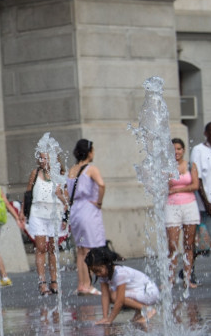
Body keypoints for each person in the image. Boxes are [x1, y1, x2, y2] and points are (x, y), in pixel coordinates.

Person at [22, 152, 68, 296]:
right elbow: (28, 193)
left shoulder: (60, 174)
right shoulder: (35, 173)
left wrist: (66, 217)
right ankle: (42, 282)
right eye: (40, 158)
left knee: (53, 249)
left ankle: (54, 280)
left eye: (46, 158)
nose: (42, 161)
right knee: (41, 247)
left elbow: (66, 199)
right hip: (38, 213)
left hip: (55, 214)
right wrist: (23, 213)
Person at [66, 139, 106, 296]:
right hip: (88, 209)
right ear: (89, 152)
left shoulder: (72, 169)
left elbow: (63, 191)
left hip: (75, 210)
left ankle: (81, 284)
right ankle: (88, 284)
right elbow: (101, 185)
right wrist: (99, 202)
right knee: (90, 249)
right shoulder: (91, 169)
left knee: (81, 249)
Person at [85, 246, 159, 325]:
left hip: (150, 292)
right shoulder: (104, 275)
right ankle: (140, 311)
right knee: (110, 293)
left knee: (114, 295)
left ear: (106, 264)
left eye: (98, 270)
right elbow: (105, 296)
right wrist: (105, 318)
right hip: (141, 292)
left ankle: (148, 310)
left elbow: (119, 300)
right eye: (95, 272)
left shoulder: (120, 274)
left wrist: (110, 319)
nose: (98, 274)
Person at [166, 138, 200, 288]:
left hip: (189, 206)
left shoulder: (191, 165)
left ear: (183, 150)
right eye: (173, 149)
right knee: (172, 245)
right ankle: (170, 279)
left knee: (188, 245)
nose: (176, 152)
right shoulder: (166, 167)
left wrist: (178, 189)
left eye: (179, 149)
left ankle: (187, 278)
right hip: (172, 206)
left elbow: (195, 185)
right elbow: (163, 187)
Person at [189, 121, 211, 284]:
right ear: (206, 133)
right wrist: (207, 204)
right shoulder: (198, 150)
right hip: (207, 207)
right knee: (202, 245)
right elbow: (196, 178)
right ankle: (188, 270)